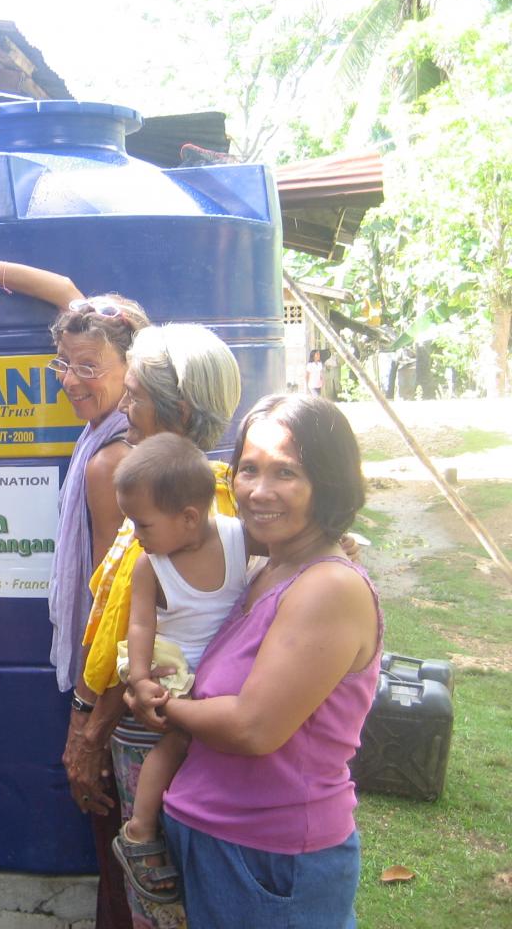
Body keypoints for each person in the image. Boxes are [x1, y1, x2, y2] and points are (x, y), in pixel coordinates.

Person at [0, 246, 150, 929]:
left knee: (124, 848)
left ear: (129, 368)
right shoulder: (124, 417)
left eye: (88, 368)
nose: (72, 380)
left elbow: (116, 603)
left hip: (112, 688)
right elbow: (68, 294)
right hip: (122, 683)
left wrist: (88, 720)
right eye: (64, 365)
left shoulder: (112, 460)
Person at [131, 394, 378, 928]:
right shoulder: (267, 568)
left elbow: (252, 728)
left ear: (328, 483)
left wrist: (164, 706)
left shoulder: (326, 586)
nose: (259, 491)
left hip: (270, 857)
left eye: (285, 471)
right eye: (249, 469)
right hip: (219, 837)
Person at [66, 323, 243, 929]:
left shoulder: (193, 515)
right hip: (161, 718)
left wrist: (89, 731)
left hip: (154, 723)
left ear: (180, 409)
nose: (123, 405)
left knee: (156, 884)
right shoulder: (192, 500)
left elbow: (129, 637)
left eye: (135, 393)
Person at [106, 435, 249, 905]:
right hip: (179, 685)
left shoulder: (239, 537)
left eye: (141, 523)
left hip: (226, 685)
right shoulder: (150, 565)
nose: (134, 533)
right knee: (173, 745)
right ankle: (140, 830)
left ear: (189, 517)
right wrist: (142, 679)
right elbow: (141, 624)